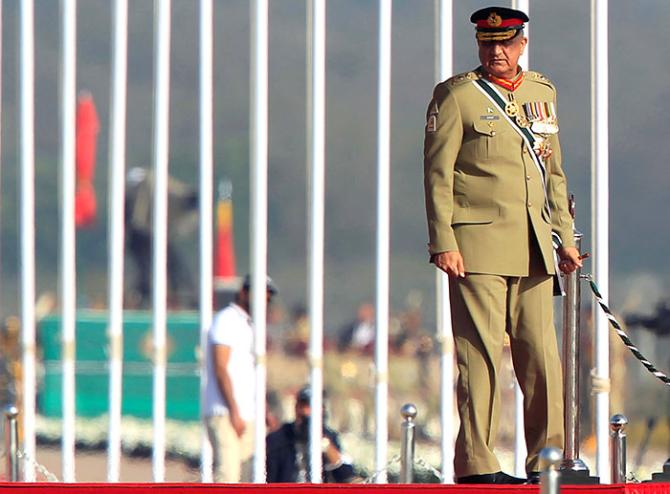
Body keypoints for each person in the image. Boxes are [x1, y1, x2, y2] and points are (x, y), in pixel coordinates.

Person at [423, 6, 583, 484]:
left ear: (521, 45)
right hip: (476, 245)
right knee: (482, 355)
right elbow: (437, 175)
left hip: (533, 244)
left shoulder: (541, 93)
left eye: (504, 43)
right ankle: (477, 464)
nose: (495, 52)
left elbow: (552, 173)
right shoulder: (457, 96)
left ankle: (547, 461)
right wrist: (443, 241)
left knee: (541, 357)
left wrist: (566, 238)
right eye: (487, 44)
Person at [203, 274, 278, 482]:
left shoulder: (249, 325)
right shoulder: (226, 320)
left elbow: (250, 373)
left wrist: (263, 410)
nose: (264, 303)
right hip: (225, 412)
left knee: (250, 478)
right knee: (228, 475)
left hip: (249, 414)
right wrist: (234, 411)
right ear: (244, 293)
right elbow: (221, 367)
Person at [266, 386, 355, 483]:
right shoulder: (279, 437)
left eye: (312, 407)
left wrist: (325, 445)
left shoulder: (329, 437)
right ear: (296, 407)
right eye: (303, 406)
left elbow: (346, 475)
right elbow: (270, 477)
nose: (306, 412)